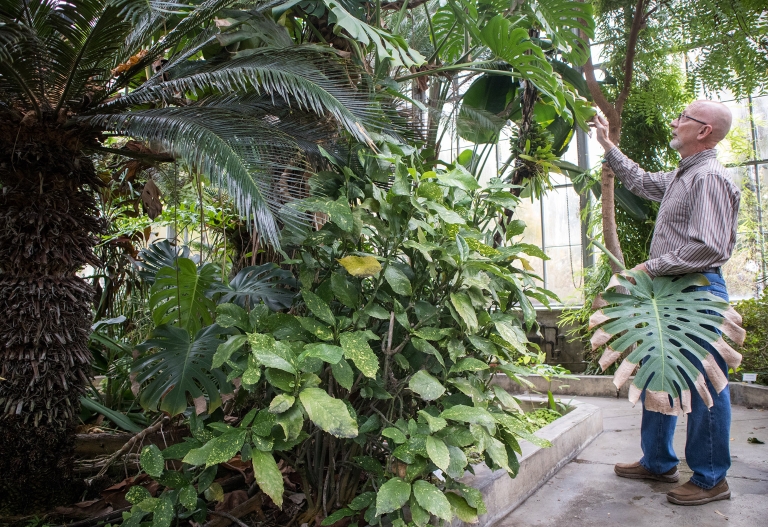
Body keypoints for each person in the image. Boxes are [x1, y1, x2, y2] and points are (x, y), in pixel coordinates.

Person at [590, 100, 740, 506]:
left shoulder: (708, 178)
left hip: (697, 294)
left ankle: (711, 479)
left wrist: (647, 267)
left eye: (683, 117)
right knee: (659, 372)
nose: (675, 121)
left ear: (704, 130)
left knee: (705, 383)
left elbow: (708, 248)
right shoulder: (683, 175)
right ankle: (657, 462)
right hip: (669, 293)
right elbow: (639, 182)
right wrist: (606, 143)